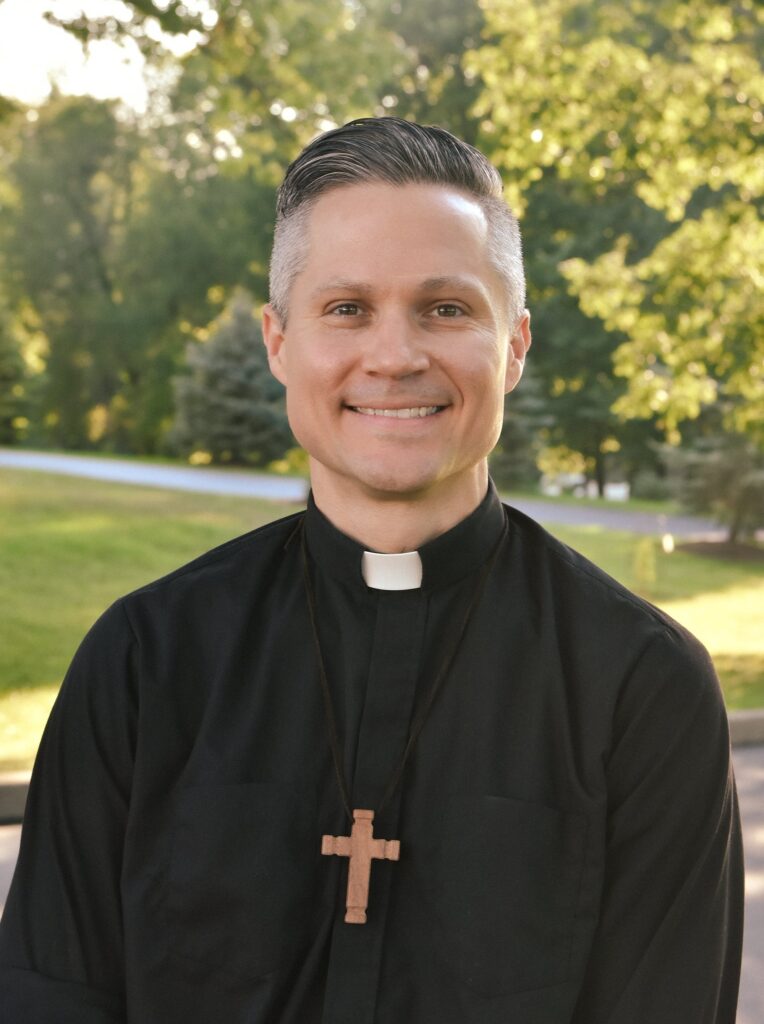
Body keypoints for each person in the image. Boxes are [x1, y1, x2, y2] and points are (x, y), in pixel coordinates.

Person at [0, 117, 743, 1023]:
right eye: (347, 308)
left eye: (446, 308)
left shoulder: (640, 685)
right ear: (279, 341)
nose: (394, 356)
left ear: (512, 345)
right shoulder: (144, 664)